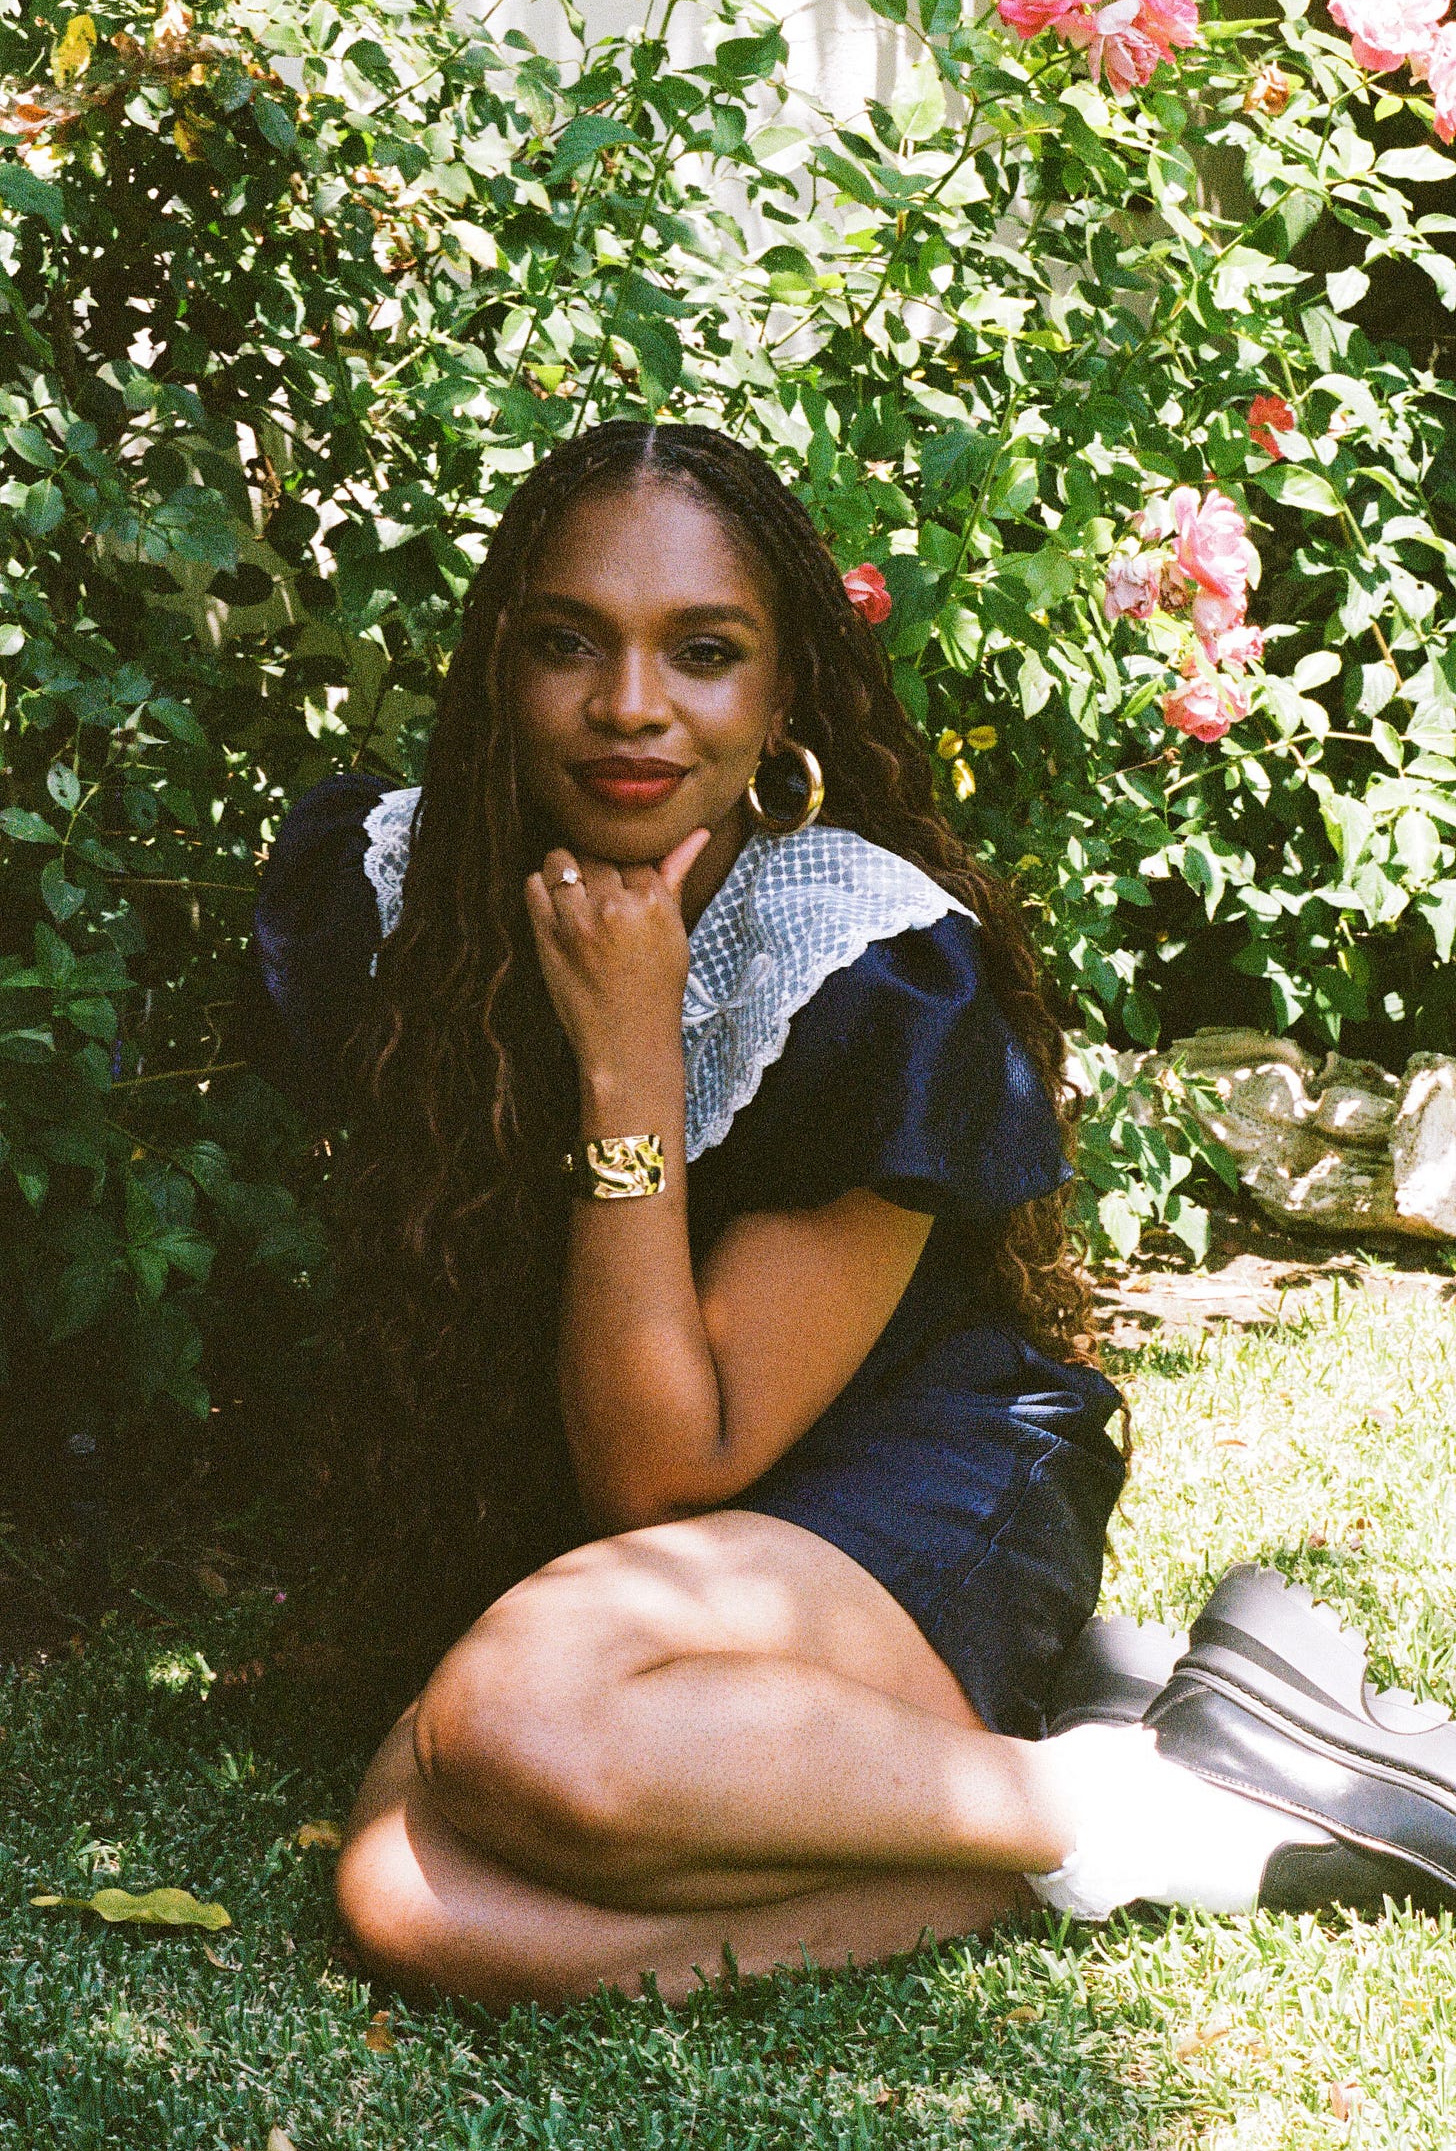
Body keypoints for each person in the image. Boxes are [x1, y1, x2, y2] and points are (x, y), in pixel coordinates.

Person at [246, 420, 1456, 2012]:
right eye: (569, 643)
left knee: (521, 1725)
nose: (631, 704)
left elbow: (661, 1468)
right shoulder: (404, 889)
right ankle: (1150, 1808)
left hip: (906, 1487)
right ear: (499, 672)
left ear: (780, 698)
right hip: (657, 1552)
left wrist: (629, 1064)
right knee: (412, 1901)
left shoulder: (868, 965)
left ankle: (1118, 1784)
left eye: (704, 652)